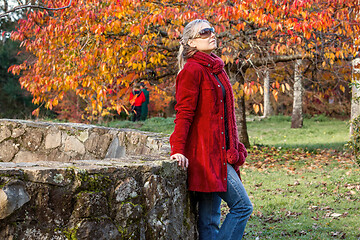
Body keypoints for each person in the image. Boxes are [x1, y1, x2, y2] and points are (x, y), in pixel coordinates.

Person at [169, 19, 253, 240]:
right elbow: (184, 114)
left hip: (220, 153)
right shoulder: (192, 71)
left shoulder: (216, 68)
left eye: (212, 30)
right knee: (243, 207)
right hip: (206, 157)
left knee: (209, 220)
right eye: (204, 32)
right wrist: (177, 148)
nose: (211, 34)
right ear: (191, 42)